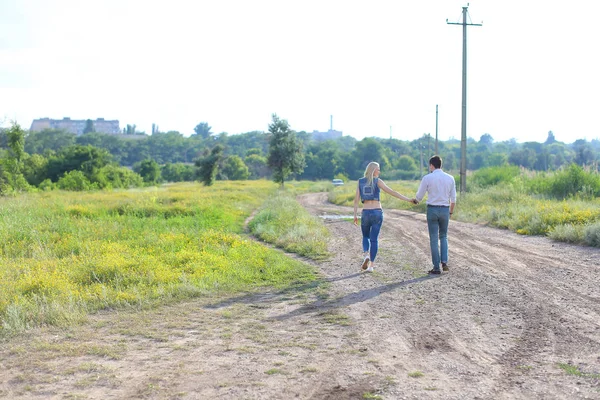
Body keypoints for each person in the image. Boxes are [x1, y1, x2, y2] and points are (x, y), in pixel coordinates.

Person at [353, 161, 416, 272]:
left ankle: (366, 254)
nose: (379, 171)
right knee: (374, 239)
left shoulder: (360, 181)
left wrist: (355, 215)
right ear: (373, 170)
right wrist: (408, 199)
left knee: (365, 237)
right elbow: (392, 192)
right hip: (377, 212)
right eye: (378, 169)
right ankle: (371, 266)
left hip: (366, 212)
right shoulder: (378, 181)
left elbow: (356, 200)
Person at [414, 155, 457, 275]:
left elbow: (420, 196)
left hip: (432, 210)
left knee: (433, 238)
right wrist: (451, 212)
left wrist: (416, 200)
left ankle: (436, 267)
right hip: (445, 210)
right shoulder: (450, 178)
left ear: (431, 165)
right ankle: (444, 261)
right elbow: (453, 199)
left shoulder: (427, 178)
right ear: (441, 165)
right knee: (443, 236)